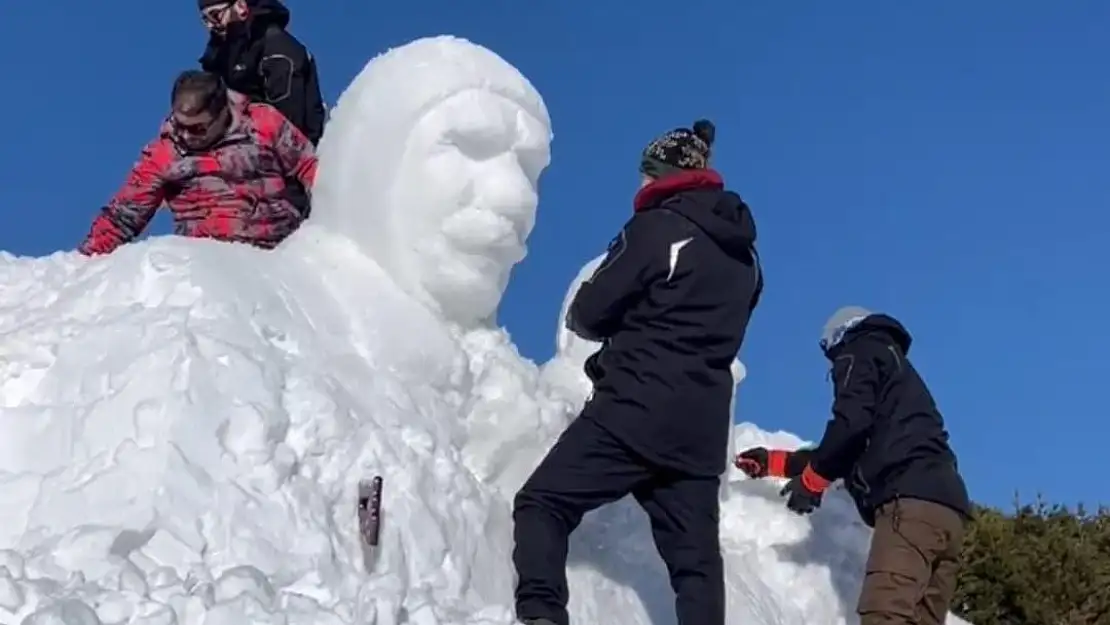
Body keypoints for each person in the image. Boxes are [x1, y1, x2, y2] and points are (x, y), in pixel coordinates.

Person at [511, 119, 764, 625]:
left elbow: (590, 311)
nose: (639, 185)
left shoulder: (659, 229)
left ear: (660, 175)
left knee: (541, 503)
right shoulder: (748, 261)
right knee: (695, 567)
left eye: (645, 174)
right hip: (698, 436)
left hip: (633, 412)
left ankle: (541, 614)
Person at [734, 306, 971, 625]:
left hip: (909, 505)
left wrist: (813, 482)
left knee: (884, 614)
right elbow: (852, 448)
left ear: (837, 339)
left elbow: (851, 426)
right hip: (947, 513)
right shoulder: (896, 379)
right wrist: (776, 462)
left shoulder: (860, 350)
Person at [79, 70, 317, 256]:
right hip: (211, 259)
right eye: (179, 124)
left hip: (281, 252)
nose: (185, 135)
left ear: (223, 113)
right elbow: (123, 217)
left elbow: (309, 167)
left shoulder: (262, 123)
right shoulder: (165, 154)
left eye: (197, 128)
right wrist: (84, 262)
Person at [197, 0, 326, 146]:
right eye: (205, 20)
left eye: (215, 15)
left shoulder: (276, 48)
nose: (210, 25)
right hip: (242, 146)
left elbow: (289, 120)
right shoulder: (221, 57)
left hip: (287, 150)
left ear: (241, 7)